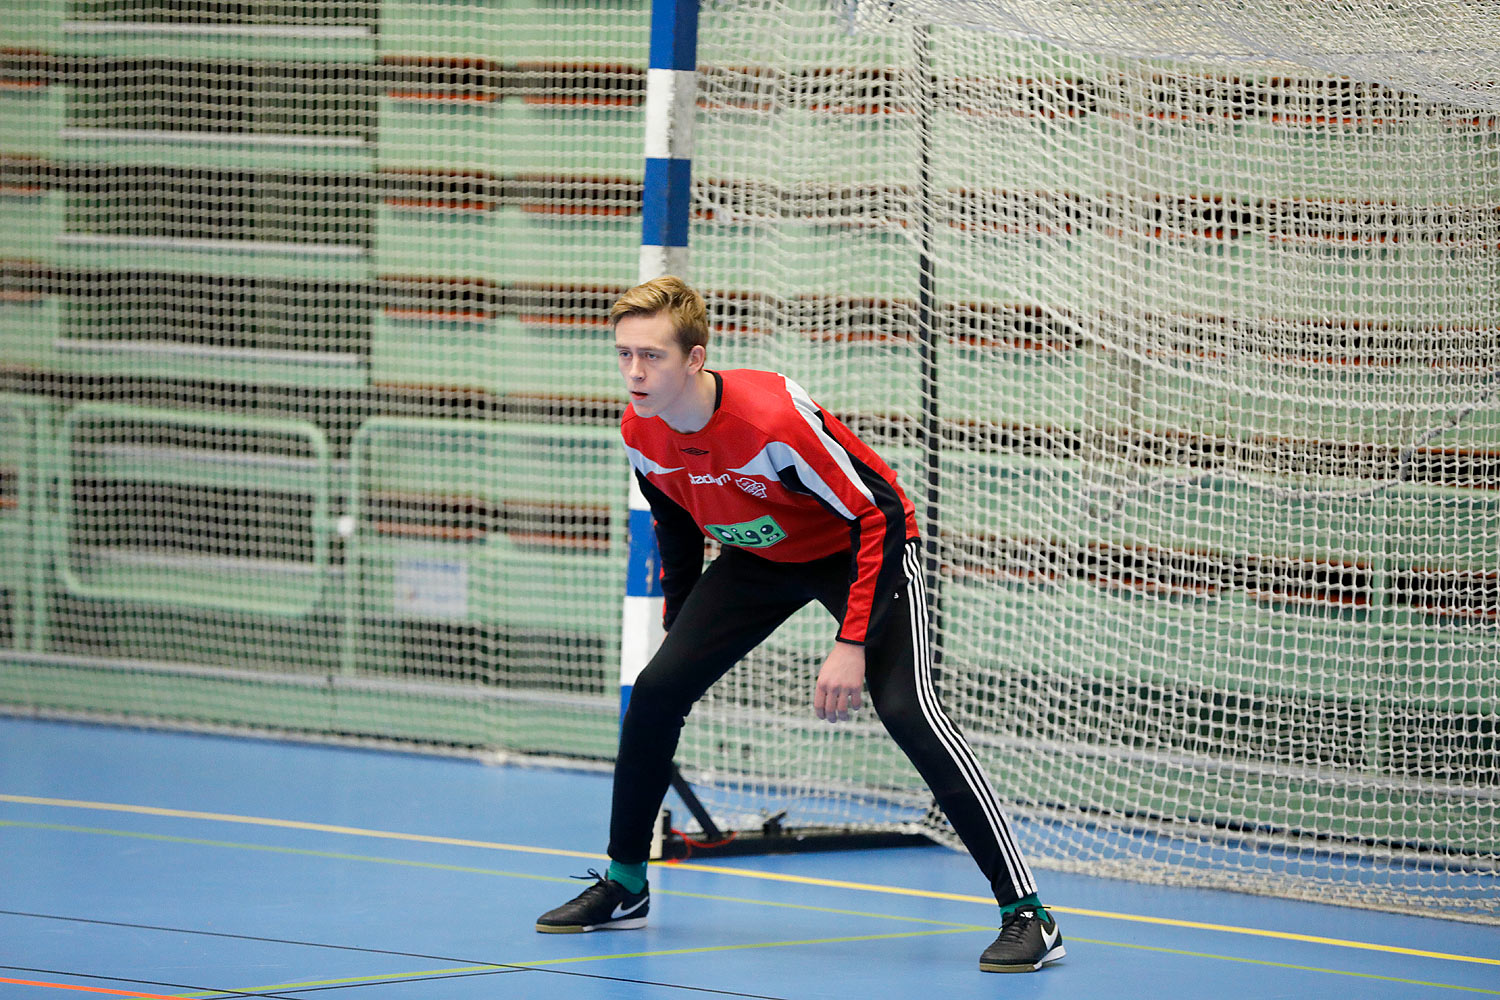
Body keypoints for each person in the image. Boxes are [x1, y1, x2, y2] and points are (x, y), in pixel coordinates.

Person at [535, 276, 1064, 974]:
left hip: (858, 551)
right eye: (624, 355)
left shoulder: (770, 421)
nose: (635, 372)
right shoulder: (639, 428)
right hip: (757, 558)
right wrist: (681, 625)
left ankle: (1028, 913)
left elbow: (878, 514)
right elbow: (673, 524)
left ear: (695, 359)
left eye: (652, 356)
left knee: (908, 711)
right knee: (657, 691)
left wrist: (850, 642)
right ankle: (627, 883)